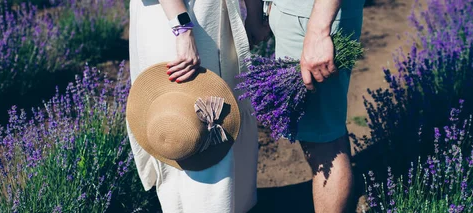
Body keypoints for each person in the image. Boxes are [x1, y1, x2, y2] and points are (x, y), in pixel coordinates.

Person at [127, 0, 270, 212]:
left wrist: (253, 12)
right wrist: (182, 28)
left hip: (209, 16)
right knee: (188, 123)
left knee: (221, 121)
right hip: (180, 18)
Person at [266, 0, 365, 212]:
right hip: (304, 15)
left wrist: (318, 31)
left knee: (325, 145)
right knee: (324, 133)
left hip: (314, 19)